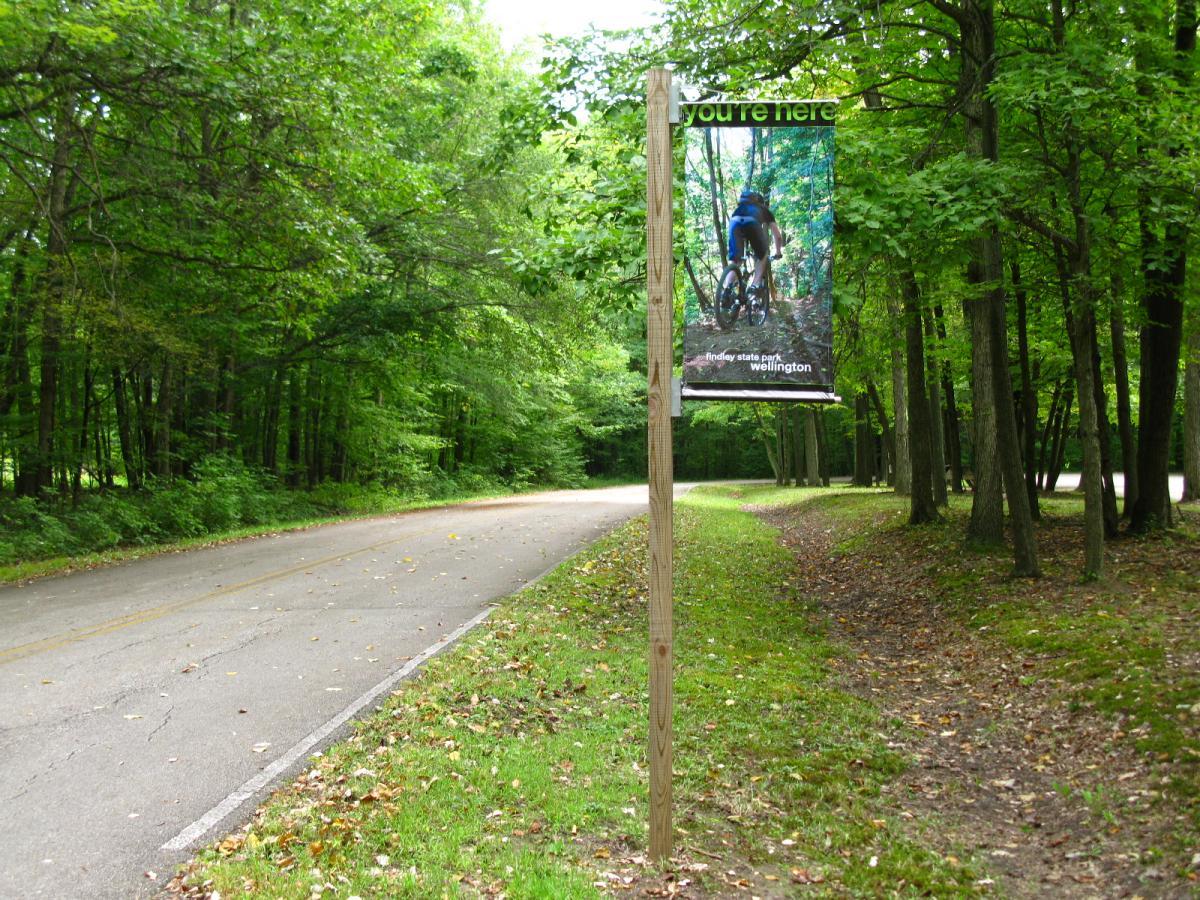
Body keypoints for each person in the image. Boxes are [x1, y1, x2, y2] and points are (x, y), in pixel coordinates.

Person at [726, 189, 784, 295]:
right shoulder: (764, 210)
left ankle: (726, 290)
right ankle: (754, 286)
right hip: (752, 223)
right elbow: (778, 236)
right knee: (763, 256)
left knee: (735, 260)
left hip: (734, 222)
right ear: (761, 202)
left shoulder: (738, 209)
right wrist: (778, 252)